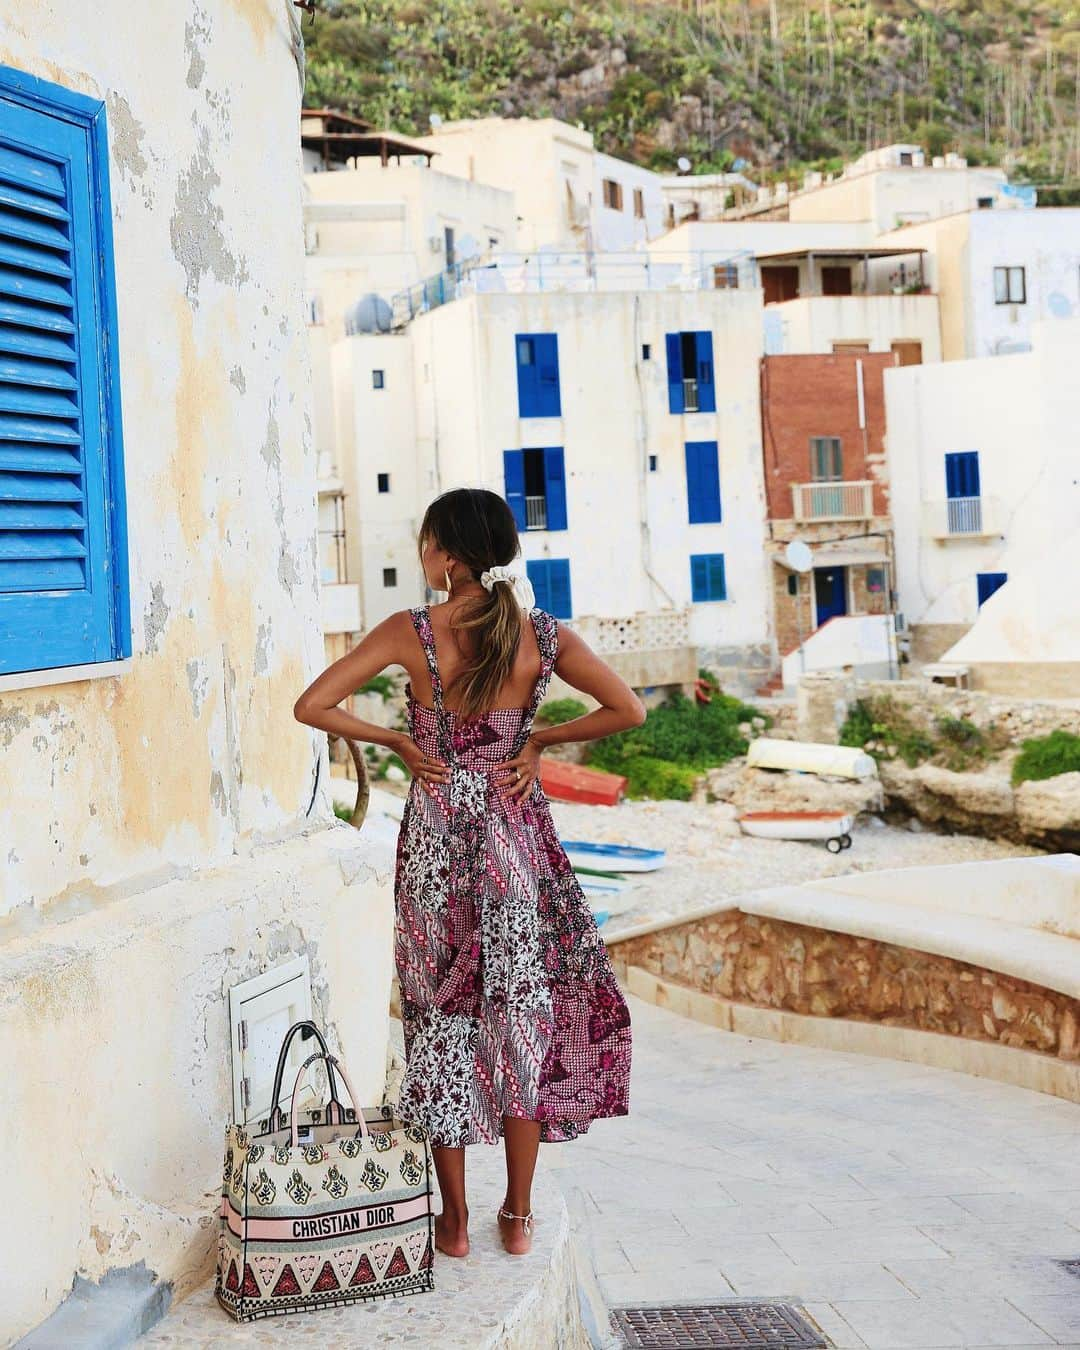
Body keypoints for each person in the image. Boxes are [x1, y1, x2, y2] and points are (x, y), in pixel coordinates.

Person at [294, 487, 642, 1259]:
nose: (423, 555)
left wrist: (395, 739)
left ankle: (452, 1222)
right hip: (516, 841)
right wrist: (542, 737)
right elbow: (628, 710)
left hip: (435, 846)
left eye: (426, 543)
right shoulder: (543, 636)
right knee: (521, 1016)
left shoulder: (408, 633)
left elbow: (312, 705)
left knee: (437, 1021)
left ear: (447, 554)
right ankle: (516, 1217)